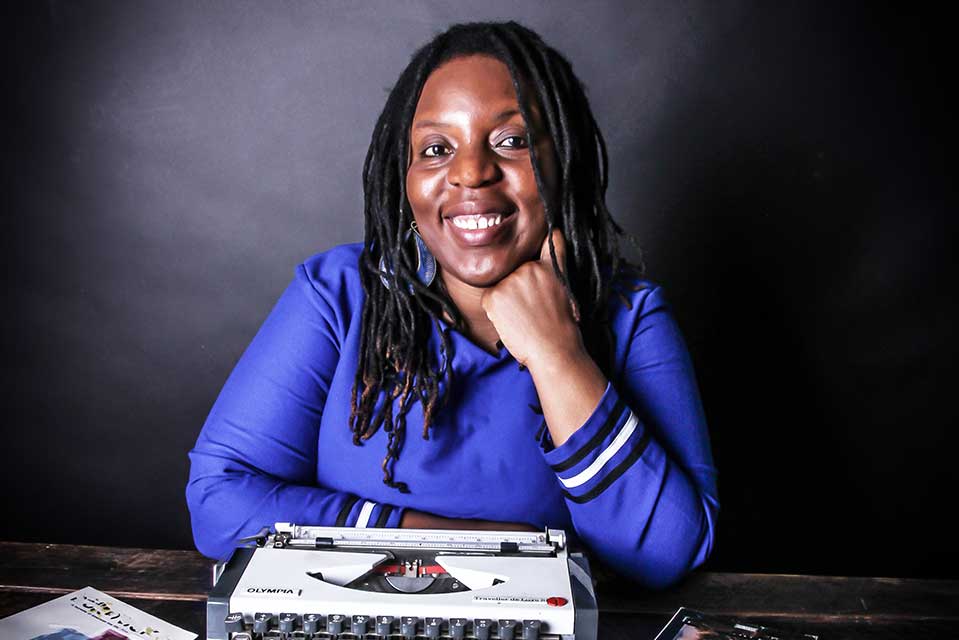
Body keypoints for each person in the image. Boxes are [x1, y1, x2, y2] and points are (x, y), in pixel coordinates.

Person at [186, 21, 718, 589]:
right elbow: (219, 499)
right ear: (406, 176)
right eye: (437, 149)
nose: (470, 173)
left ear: (563, 159)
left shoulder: (629, 317)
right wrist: (475, 546)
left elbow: (669, 553)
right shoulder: (338, 295)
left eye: (511, 141)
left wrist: (558, 354)